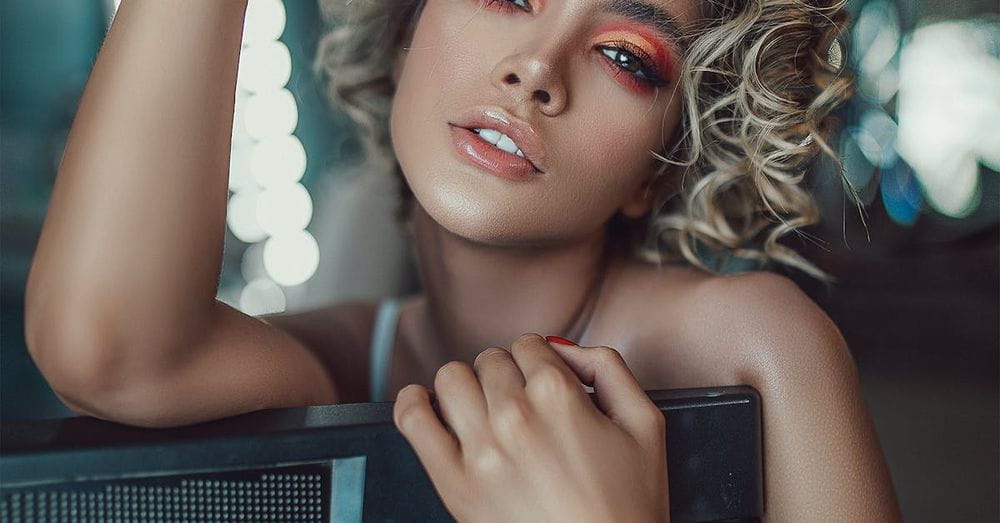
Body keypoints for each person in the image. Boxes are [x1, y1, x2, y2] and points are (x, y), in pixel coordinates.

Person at [23, 0, 900, 520]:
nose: (536, 68)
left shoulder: (758, 346)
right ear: (406, 28)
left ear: (658, 167)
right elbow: (110, 352)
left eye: (626, 56)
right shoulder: (331, 367)